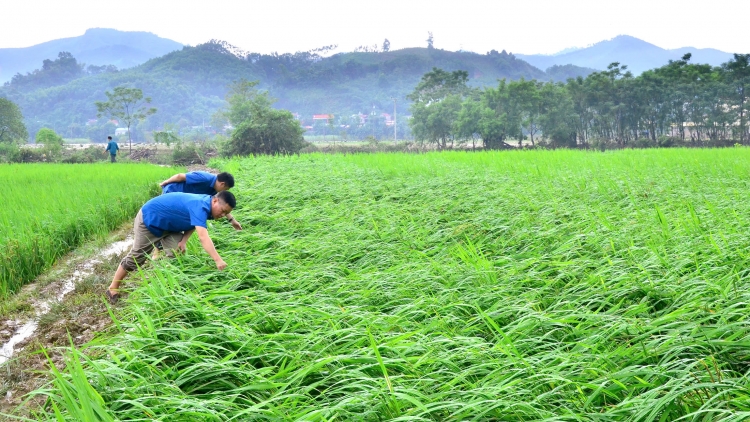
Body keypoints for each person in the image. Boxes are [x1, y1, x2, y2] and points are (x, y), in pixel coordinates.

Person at [106, 190, 237, 304]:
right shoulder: (200, 206)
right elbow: (203, 237)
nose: (223, 215)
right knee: (137, 258)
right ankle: (113, 287)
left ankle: (169, 288)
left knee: (177, 253)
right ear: (214, 201)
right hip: (150, 219)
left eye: (226, 213)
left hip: (170, 225)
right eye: (223, 211)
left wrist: (184, 240)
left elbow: (194, 222)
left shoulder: (210, 204)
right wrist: (217, 259)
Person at [160, 171, 242, 230]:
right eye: (225, 189)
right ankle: (157, 250)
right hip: (172, 191)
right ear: (222, 184)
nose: (223, 192)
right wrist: (166, 182)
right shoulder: (204, 178)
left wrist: (232, 220)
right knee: (168, 219)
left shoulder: (214, 190)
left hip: (184, 200)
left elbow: (222, 205)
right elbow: (180, 176)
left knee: (180, 221)